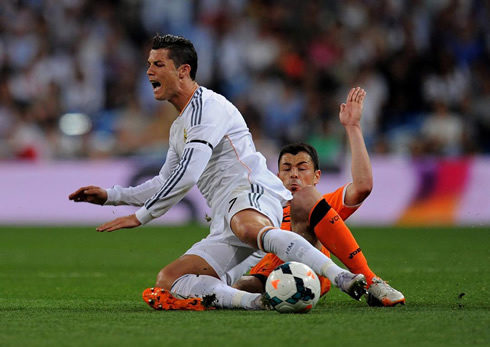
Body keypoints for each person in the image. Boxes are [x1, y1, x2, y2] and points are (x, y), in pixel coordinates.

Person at [68, 34, 367, 310]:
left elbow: (187, 175)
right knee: (169, 280)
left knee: (247, 227)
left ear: (183, 71)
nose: (149, 71)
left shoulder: (207, 108)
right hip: (225, 216)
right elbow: (163, 181)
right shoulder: (178, 128)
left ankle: (342, 277)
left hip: (251, 194)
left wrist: (141, 216)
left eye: (158, 64)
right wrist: (110, 196)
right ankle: (258, 303)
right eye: (148, 64)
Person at [232, 88, 405, 307]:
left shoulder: (321, 204)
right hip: (268, 275)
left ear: (317, 177)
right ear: (277, 176)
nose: (293, 173)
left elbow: (362, 186)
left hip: (312, 272)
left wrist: (353, 127)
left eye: (301, 168)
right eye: (286, 169)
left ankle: (371, 281)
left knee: (305, 199)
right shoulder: (264, 204)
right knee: (235, 286)